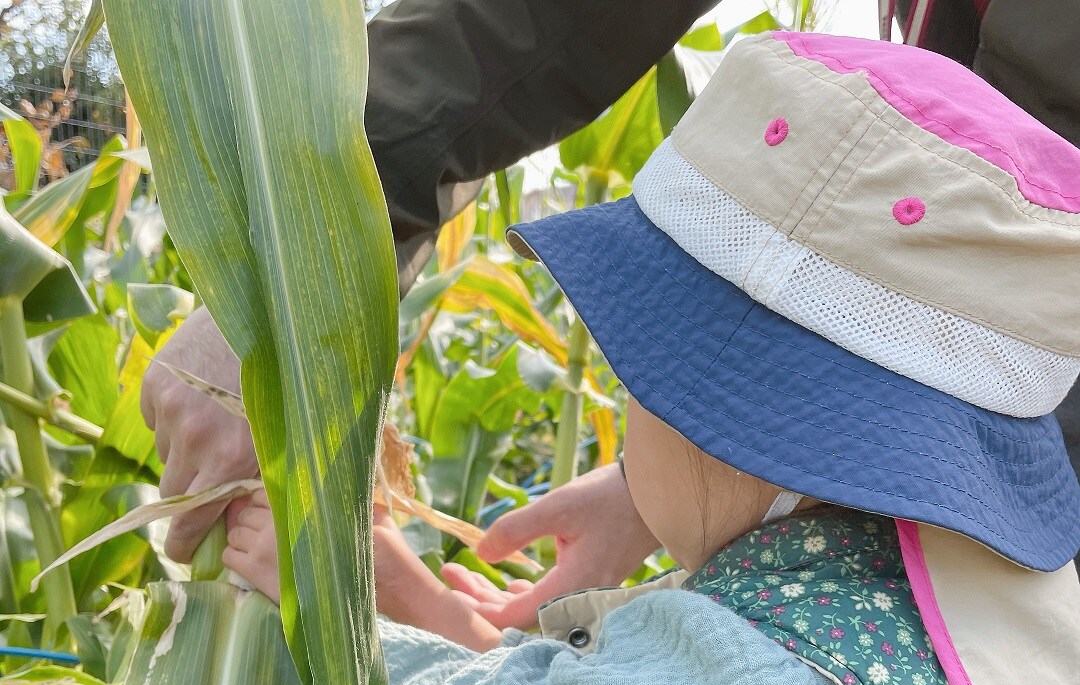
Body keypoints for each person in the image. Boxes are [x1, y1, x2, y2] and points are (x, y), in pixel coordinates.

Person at [222, 32, 1080, 685]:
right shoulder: (937, 599)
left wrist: (345, 599)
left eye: (643, 386)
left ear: (720, 415)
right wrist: (477, 642)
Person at [143, 0, 1080, 596]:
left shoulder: (816, 659)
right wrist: (679, 489)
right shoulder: (917, 613)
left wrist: (396, 608)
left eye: (656, 381)